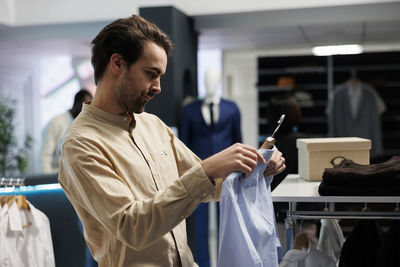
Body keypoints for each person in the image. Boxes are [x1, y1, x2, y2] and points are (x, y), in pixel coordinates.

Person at [58, 15, 285, 267]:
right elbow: (131, 226)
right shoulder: (80, 143)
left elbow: (211, 186)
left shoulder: (153, 125)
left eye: (160, 76)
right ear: (117, 64)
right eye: (151, 74)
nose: (158, 87)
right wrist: (206, 169)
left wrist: (257, 166)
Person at [180, 66, 242, 267]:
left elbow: (237, 141)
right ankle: (203, 263)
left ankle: (226, 261)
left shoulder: (231, 109)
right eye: (207, 79)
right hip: (198, 171)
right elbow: (183, 143)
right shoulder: (189, 111)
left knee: (226, 220)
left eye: (213, 79)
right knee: (199, 223)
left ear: (219, 81)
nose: (210, 83)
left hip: (227, 173)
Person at [41, 89, 92, 174]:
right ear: (76, 104)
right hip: (56, 176)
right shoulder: (57, 122)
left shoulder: (85, 125)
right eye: (84, 105)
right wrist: (46, 180)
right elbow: (46, 155)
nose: (86, 110)